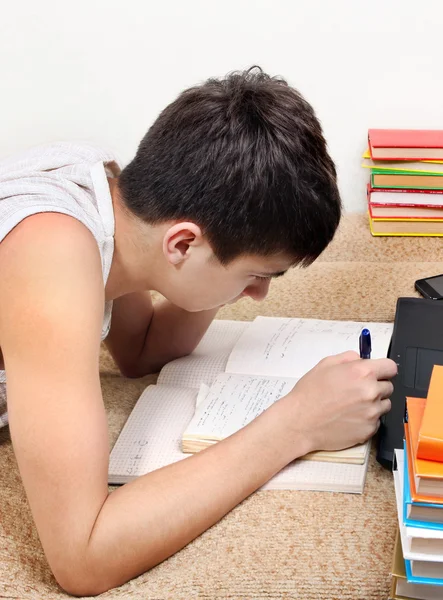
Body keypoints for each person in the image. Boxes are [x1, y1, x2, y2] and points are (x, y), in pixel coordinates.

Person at [0, 67, 396, 596]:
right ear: (182, 244)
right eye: (257, 276)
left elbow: (142, 352)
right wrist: (296, 426)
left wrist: (224, 272)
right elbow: (83, 556)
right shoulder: (49, 253)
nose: (258, 295)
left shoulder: (107, 196)